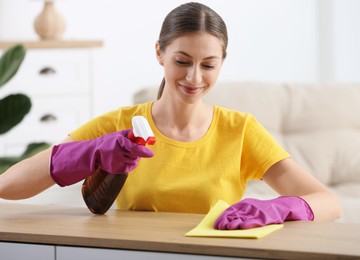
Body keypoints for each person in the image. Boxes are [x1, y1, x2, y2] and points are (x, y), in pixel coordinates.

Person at [0, 2, 342, 229]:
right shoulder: (119, 125)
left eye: (208, 65)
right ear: (159, 53)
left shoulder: (240, 131)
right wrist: (87, 152)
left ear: (222, 63)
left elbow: (329, 202)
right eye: (182, 61)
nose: (194, 78)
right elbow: (8, 186)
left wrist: (277, 209)